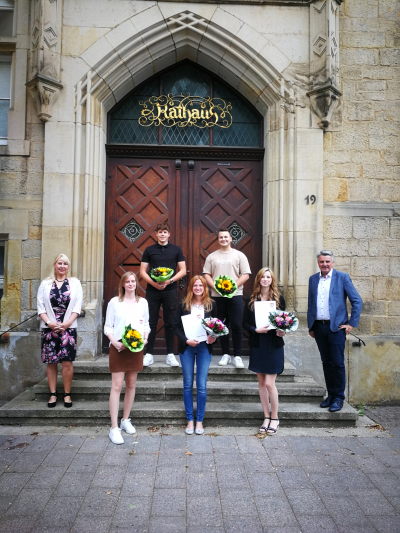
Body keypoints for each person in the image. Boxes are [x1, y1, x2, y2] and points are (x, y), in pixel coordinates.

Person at [307, 250, 362, 413]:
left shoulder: (342, 277)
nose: (324, 264)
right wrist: (311, 326)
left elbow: (357, 301)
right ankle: (330, 395)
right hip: (319, 327)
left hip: (336, 328)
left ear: (332, 262)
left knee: (337, 363)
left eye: (327, 261)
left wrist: (351, 324)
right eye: (321, 262)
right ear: (318, 263)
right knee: (326, 363)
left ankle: (339, 398)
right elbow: (311, 304)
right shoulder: (313, 279)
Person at [104, 272, 150, 444]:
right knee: (117, 386)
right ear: (123, 284)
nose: (131, 284)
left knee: (131, 384)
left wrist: (145, 339)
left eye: (133, 281)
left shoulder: (143, 302)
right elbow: (108, 326)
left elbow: (146, 324)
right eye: (128, 281)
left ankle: (125, 420)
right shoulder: (114, 302)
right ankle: (114, 428)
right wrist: (115, 343)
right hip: (119, 347)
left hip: (136, 347)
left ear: (136, 284)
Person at [37, 253, 83, 409]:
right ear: (54, 265)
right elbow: (40, 307)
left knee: (67, 362)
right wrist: (49, 323)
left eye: (65, 264)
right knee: (51, 362)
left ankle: (67, 394)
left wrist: (67, 324)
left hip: (68, 329)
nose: (62, 266)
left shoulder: (75, 283)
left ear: (68, 267)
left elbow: (77, 306)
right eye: (60, 263)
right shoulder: (45, 284)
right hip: (49, 328)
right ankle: (53, 394)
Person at [243, 268, 285, 434]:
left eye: (268, 277)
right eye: (263, 277)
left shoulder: (279, 299)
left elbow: (284, 322)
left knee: (269, 383)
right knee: (261, 383)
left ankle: (275, 418)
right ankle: (266, 417)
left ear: (272, 280)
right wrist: (255, 330)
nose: (265, 279)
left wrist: (282, 331)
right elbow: (244, 323)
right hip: (258, 343)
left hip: (273, 344)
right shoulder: (251, 300)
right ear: (258, 279)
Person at [174, 275, 217, 435]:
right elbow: (176, 327)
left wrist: (214, 337)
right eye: (195, 285)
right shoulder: (183, 304)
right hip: (187, 347)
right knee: (187, 384)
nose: (198, 288)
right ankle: (189, 421)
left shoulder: (211, 305)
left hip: (204, 347)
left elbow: (217, 326)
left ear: (205, 288)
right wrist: (186, 340)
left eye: (201, 285)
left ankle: (199, 421)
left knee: (201, 386)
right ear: (191, 288)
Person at [140, 221, 186, 367]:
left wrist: (169, 281)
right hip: (152, 290)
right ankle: (149, 354)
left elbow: (183, 270)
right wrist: (154, 284)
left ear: (169, 234)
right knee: (151, 321)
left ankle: (170, 354)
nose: (162, 234)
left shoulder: (176, 249)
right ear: (156, 234)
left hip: (170, 290)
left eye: (165, 232)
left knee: (170, 322)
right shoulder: (149, 250)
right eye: (160, 232)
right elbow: (142, 271)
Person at [203, 229, 251, 369]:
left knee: (236, 325)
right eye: (221, 237)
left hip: (235, 295)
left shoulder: (239, 255)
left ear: (230, 239)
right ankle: (225, 354)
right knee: (220, 325)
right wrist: (216, 288)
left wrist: (232, 288)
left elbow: (246, 274)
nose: (223, 239)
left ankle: (237, 356)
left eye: (226, 237)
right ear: (218, 240)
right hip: (217, 296)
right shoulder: (212, 257)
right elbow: (207, 274)